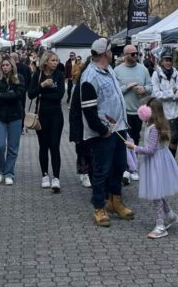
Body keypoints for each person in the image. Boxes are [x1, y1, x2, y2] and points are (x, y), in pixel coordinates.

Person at [81, 38, 134, 227]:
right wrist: (102, 131)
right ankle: (99, 207)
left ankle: (115, 201)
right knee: (101, 170)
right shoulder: (89, 77)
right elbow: (88, 110)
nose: (113, 53)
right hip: (103, 133)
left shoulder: (109, 70)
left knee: (119, 166)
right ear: (104, 53)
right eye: (111, 50)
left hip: (119, 128)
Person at [124, 100, 178, 239]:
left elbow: (150, 150)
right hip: (157, 162)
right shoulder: (153, 125)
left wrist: (134, 147)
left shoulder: (154, 128)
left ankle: (160, 225)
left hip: (156, 162)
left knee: (156, 195)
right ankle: (170, 215)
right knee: (157, 191)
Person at [28, 50, 66, 191]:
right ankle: (44, 175)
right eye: (53, 60)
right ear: (45, 62)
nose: (56, 63)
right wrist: (43, 86)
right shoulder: (38, 75)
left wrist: (43, 94)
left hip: (56, 115)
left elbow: (59, 95)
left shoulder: (59, 75)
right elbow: (31, 94)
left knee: (54, 146)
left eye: (57, 60)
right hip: (41, 115)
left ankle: (56, 177)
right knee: (43, 146)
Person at [113, 44, 152, 183]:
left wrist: (144, 89)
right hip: (122, 111)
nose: (135, 56)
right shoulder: (117, 70)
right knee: (124, 139)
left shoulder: (143, 69)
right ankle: (125, 168)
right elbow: (113, 90)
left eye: (137, 54)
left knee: (135, 138)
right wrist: (126, 87)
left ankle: (133, 167)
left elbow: (151, 86)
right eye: (132, 54)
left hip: (138, 111)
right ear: (125, 55)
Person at [0, 55, 27, 185]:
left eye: (7, 65)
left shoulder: (19, 78)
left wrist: (2, 95)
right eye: (3, 65)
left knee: (13, 147)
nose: (5, 67)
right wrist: (8, 95)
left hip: (16, 116)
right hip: (1, 116)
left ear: (12, 66)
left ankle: (9, 172)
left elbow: (18, 95)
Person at [150, 49, 178, 157]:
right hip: (160, 112)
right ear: (161, 61)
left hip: (174, 111)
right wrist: (171, 92)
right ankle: (158, 160)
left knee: (175, 137)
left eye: (170, 60)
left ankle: (171, 160)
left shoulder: (177, 74)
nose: (168, 62)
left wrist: (169, 94)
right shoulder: (156, 74)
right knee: (159, 138)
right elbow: (156, 94)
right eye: (166, 60)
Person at [69, 57, 92, 187]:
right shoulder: (80, 84)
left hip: (95, 122)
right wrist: (75, 132)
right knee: (82, 149)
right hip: (82, 122)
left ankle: (91, 173)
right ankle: (84, 173)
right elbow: (74, 109)